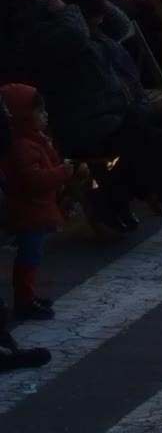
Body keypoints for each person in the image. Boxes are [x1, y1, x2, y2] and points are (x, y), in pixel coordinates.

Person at [0, 83, 70, 319]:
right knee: (29, 257)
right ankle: (24, 300)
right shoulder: (23, 146)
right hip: (30, 211)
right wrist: (62, 172)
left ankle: (27, 296)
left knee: (32, 256)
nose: (45, 115)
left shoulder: (32, 140)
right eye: (39, 111)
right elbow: (36, 179)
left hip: (35, 210)